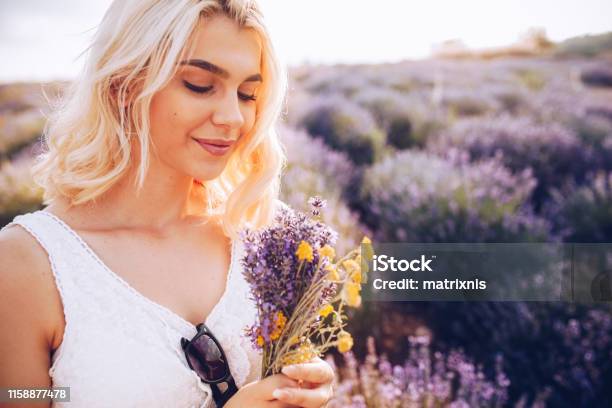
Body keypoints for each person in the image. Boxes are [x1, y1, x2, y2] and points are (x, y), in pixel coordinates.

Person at [0, 0, 334, 407]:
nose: (233, 117)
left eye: (248, 94)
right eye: (198, 84)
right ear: (124, 85)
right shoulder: (25, 266)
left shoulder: (268, 235)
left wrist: (309, 388)